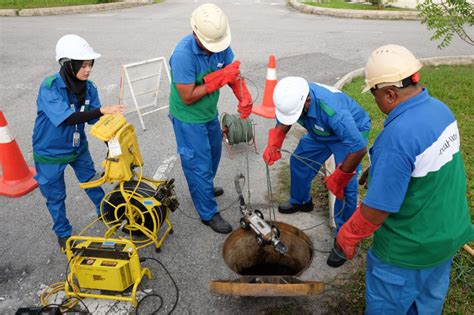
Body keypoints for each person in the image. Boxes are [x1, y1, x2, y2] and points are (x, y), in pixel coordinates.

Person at [336, 44, 473, 314]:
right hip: (445, 240)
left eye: (374, 94)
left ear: (389, 93)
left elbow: (377, 210)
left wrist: (348, 234)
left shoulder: (397, 136)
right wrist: (378, 171)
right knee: (427, 305)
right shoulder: (440, 111)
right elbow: (422, 167)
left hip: (406, 253)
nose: (375, 100)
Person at [263, 76, 371, 267]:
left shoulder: (334, 111)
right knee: (299, 162)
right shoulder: (291, 95)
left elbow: (358, 148)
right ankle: (301, 201)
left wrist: (340, 176)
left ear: (307, 101)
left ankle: (345, 240)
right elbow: (284, 120)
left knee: (346, 189)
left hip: (349, 137)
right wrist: (275, 141)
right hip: (321, 133)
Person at [32, 34, 125, 250]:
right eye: (82, 65)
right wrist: (102, 110)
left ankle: (106, 213)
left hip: (77, 147)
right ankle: (63, 232)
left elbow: (95, 119)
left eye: (90, 64)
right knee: (55, 197)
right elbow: (67, 118)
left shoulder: (89, 87)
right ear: (67, 64)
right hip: (50, 152)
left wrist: (113, 146)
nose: (88, 69)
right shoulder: (50, 87)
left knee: (92, 181)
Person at [168, 3, 252, 234]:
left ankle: (202, 188)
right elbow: (187, 96)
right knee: (198, 164)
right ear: (196, 33)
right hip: (187, 118)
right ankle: (207, 212)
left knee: (213, 156)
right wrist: (217, 79)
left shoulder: (220, 43)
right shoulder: (183, 55)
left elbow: (232, 74)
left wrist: (243, 97)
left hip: (208, 114)